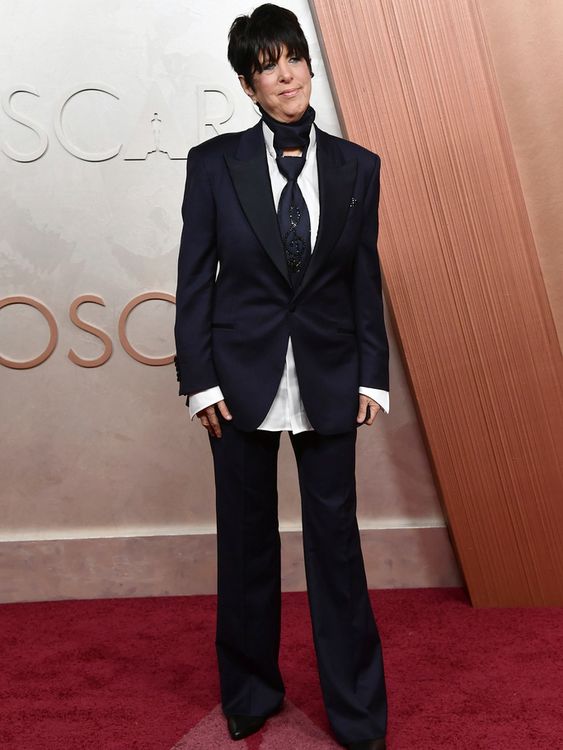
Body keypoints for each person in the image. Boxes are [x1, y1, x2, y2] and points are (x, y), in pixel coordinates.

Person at [174, 5, 389, 749]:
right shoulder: (213, 165)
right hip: (236, 381)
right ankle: (250, 690)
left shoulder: (359, 167)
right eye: (267, 65)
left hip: (331, 377)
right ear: (248, 83)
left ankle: (357, 712)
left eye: (292, 57)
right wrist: (199, 382)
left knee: (336, 546)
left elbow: (365, 277)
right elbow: (194, 279)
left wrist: (373, 375)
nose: (286, 73)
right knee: (245, 544)